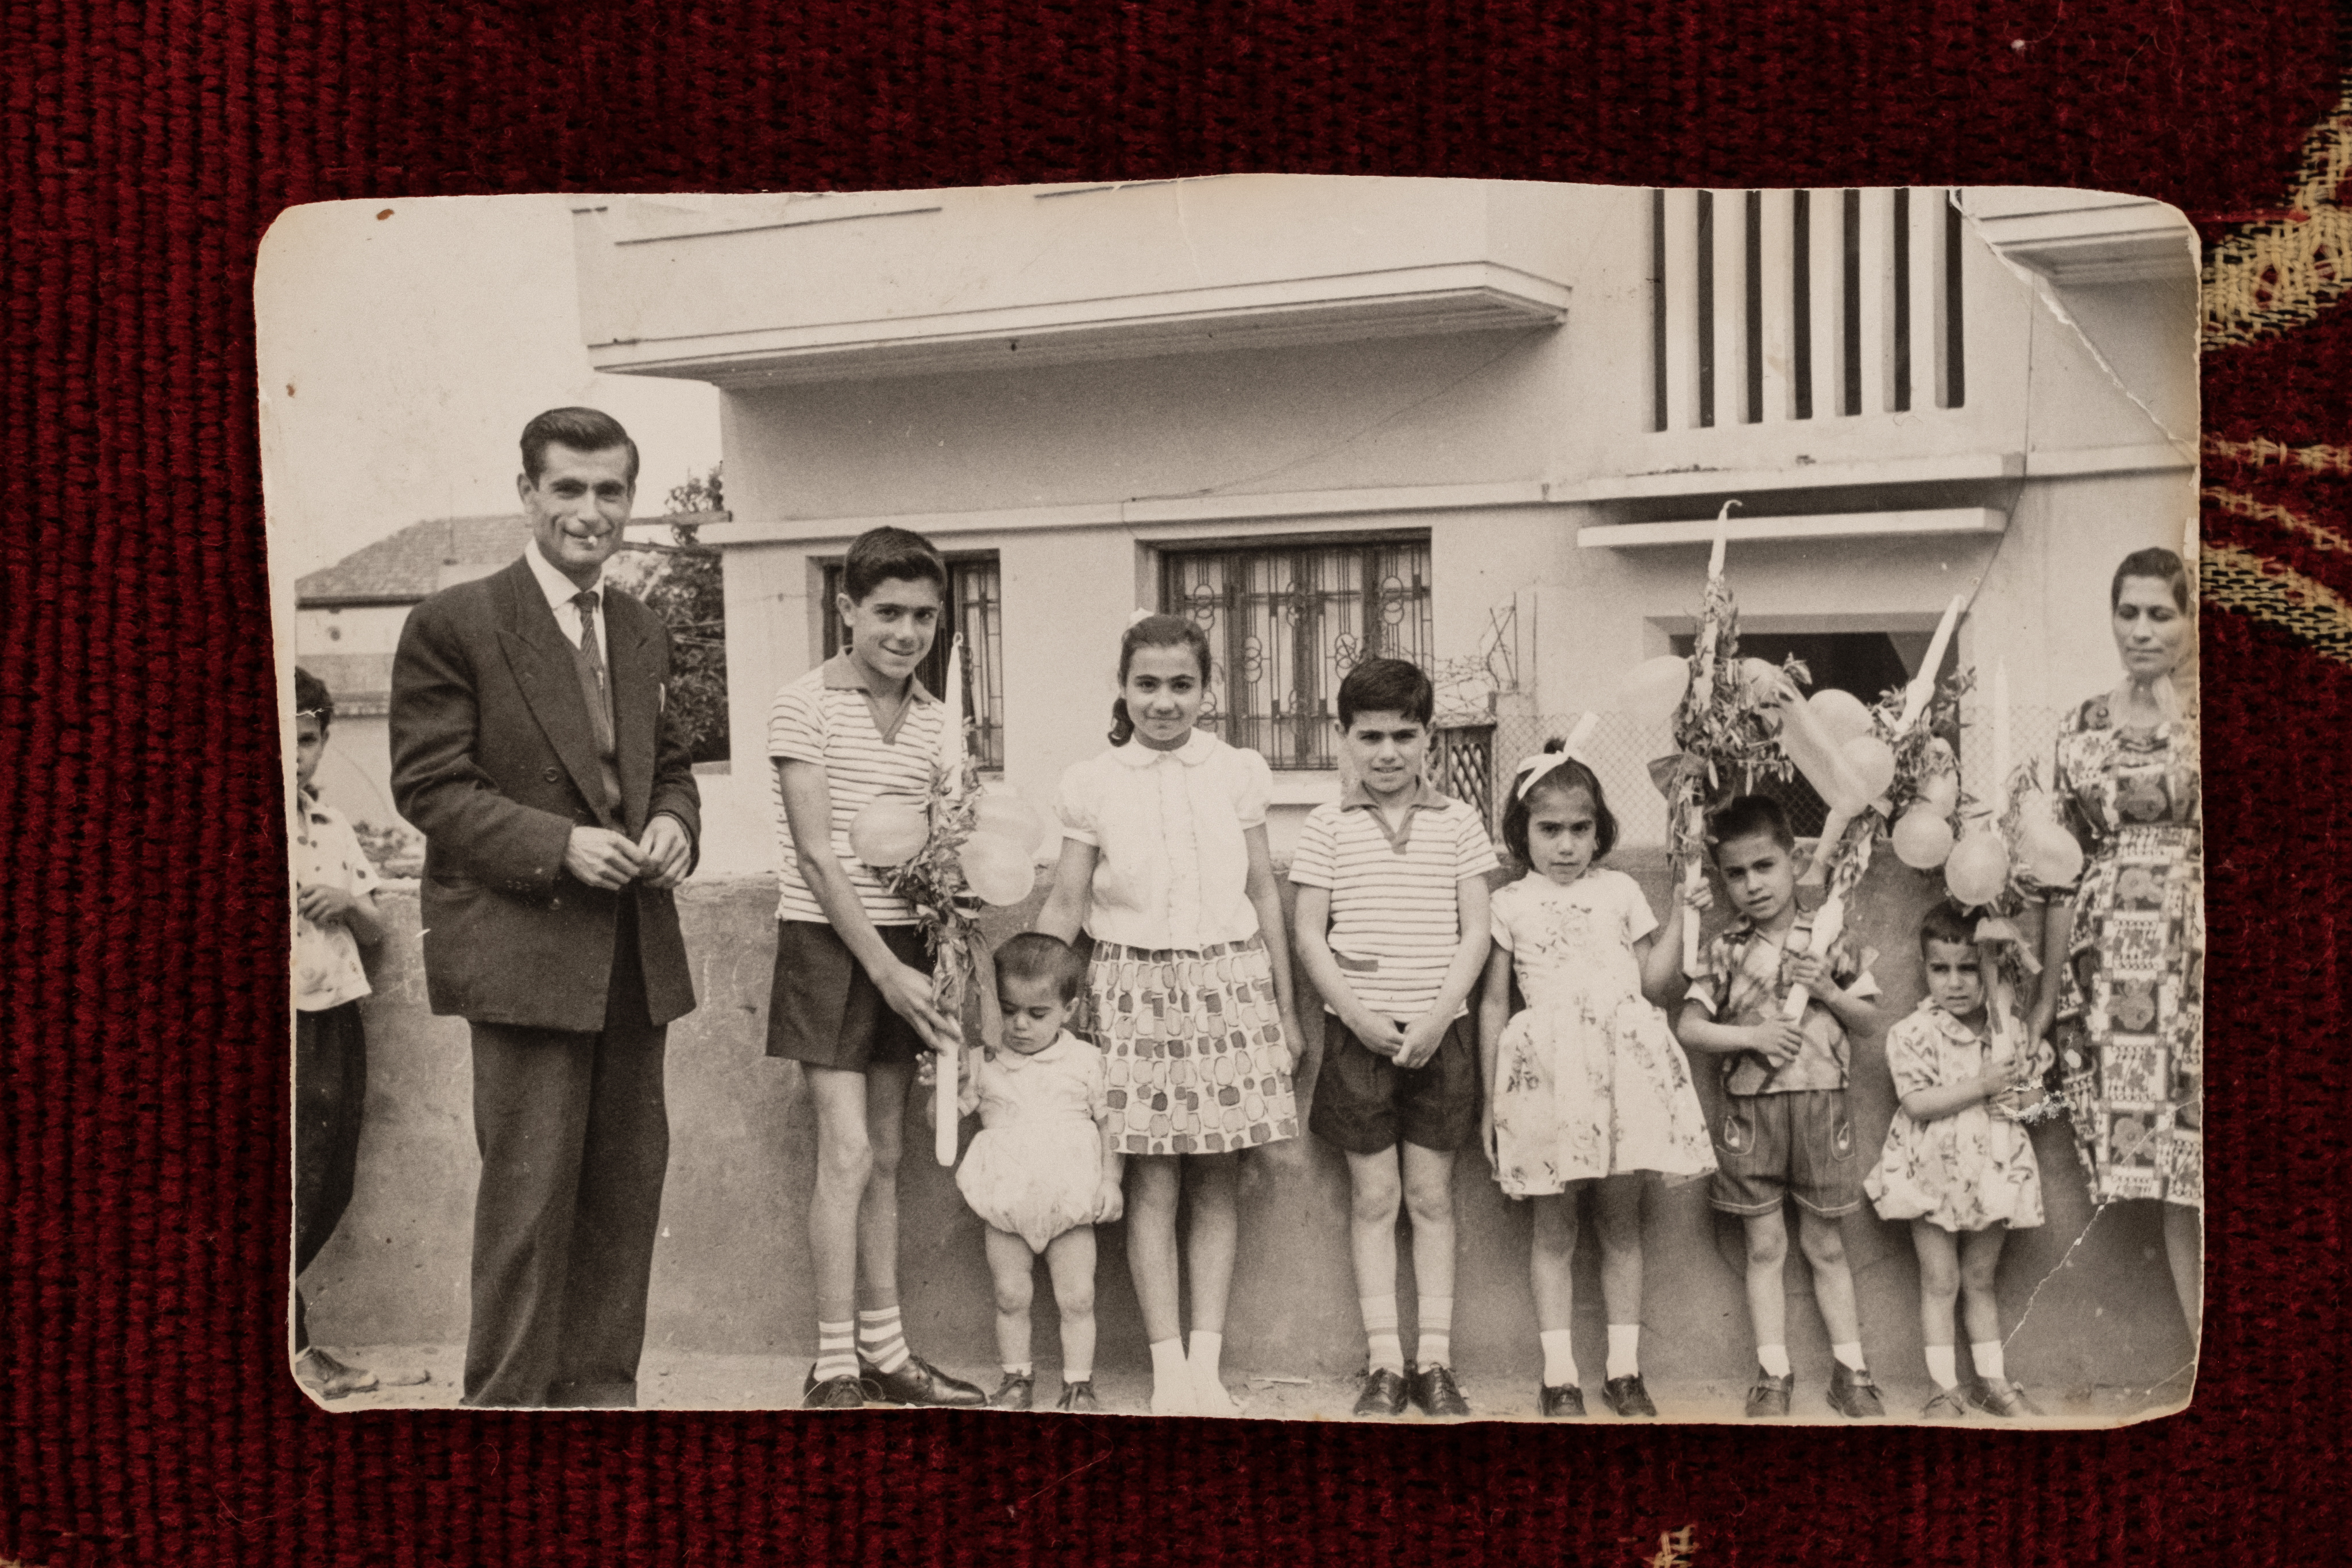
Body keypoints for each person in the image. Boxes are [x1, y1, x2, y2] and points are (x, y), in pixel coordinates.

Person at [390, 407, 701, 1408]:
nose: (590, 511)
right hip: (525, 960)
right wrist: (558, 844)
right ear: (527, 494)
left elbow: (675, 770)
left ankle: (601, 1409)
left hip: (634, 965)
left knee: (622, 1202)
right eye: (567, 488)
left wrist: (676, 826)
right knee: (527, 1213)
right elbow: (431, 787)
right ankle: (505, 1423)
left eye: (610, 490)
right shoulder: (458, 622)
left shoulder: (644, 627)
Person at [1036, 611, 1303, 1416]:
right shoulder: (1093, 781)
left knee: (1216, 1179)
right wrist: (1027, 1008)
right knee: (1150, 1182)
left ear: (1206, 689)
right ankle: (1165, 1368)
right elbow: (1066, 901)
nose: (1162, 701)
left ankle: (1206, 1366)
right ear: (1122, 687)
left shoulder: (1235, 772)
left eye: (1180, 684)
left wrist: (1286, 1010)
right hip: (1131, 990)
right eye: (1146, 684)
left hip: (1227, 984)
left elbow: (1262, 893)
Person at [768, 524, 986, 1410]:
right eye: (887, 612)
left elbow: (954, 854)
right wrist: (888, 975)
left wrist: (941, 968)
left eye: (923, 616)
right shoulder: (802, 704)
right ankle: (831, 1369)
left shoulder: (940, 722)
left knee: (892, 1153)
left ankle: (888, 1354)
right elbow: (819, 859)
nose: (905, 632)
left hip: (910, 946)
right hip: (827, 943)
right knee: (849, 1151)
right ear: (846, 609)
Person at [1477, 742, 1714, 1420]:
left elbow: (1655, 982)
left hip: (1621, 1074)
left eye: (1581, 828)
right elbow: (1497, 1003)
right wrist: (1492, 1103)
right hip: (1546, 1077)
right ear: (1521, 832)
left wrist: (1682, 912)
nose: (1567, 844)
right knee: (1554, 1231)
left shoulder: (1620, 891)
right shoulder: (1511, 903)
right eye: (1549, 829)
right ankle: (1558, 1375)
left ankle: (1624, 1371)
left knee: (1620, 1226)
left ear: (1599, 830)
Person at [1291, 659, 1496, 1419]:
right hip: (1358, 1037)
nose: (1385, 752)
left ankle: (1434, 1362)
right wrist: (1357, 1014)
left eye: (1402, 735)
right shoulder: (1325, 824)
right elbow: (1309, 935)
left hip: (1440, 1034)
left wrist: (1443, 1010)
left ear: (1427, 737)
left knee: (1431, 1196)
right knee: (1374, 1196)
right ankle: (1383, 1362)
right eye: (1368, 736)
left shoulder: (1459, 821)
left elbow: (1475, 929)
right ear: (1342, 738)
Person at [2029, 545, 2203, 1347]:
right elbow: (2059, 872)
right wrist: (2040, 1004)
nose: (2140, 630)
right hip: (2117, 985)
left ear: (2191, 620)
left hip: (2199, 964)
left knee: (2208, 1172)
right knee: (2168, 1176)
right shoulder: (2082, 725)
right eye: (2126, 612)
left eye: (2159, 613)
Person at [1675, 795, 1888, 1420]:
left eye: (1764, 867)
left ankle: (1852, 1371)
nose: (1751, 885)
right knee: (1764, 1248)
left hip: (1823, 1110)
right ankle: (1773, 1372)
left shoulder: (1828, 935)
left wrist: (1824, 987)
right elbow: (1691, 1027)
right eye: (1735, 874)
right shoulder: (1725, 948)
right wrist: (1752, 1037)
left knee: (1826, 1246)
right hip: (1751, 1113)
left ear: (1793, 861)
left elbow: (1869, 1020)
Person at [1866, 902, 2054, 1419]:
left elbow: (2038, 1105)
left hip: (1993, 1170)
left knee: (1978, 1280)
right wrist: (1983, 1085)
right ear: (1924, 969)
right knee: (1940, 1280)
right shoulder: (1912, 1032)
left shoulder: (2009, 1032)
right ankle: (1942, 1387)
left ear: (1990, 969)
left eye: (1968, 968)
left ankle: (1992, 1382)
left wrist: (2019, 1092)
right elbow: (1917, 1103)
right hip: (1931, 1173)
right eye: (1940, 968)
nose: (1953, 982)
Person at [290, 667, 421, 1399]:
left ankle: (295, 1341)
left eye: (307, 742)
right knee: (287, 1185)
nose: (295, 757)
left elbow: (376, 928)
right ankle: (296, 1348)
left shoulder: (335, 827)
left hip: (334, 1014)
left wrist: (344, 900)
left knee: (328, 1181)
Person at [955, 933, 1123, 1413]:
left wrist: (1110, 1179)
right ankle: (1016, 1379)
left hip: (1070, 1199)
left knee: (1077, 1298)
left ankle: (1078, 1386)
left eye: (1037, 1013)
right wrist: (944, 1086)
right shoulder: (983, 1061)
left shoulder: (1086, 1061)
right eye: (1008, 1011)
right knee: (1010, 1294)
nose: (1019, 1025)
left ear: (1068, 1010)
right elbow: (944, 1123)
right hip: (1005, 1197)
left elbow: (1110, 1120)